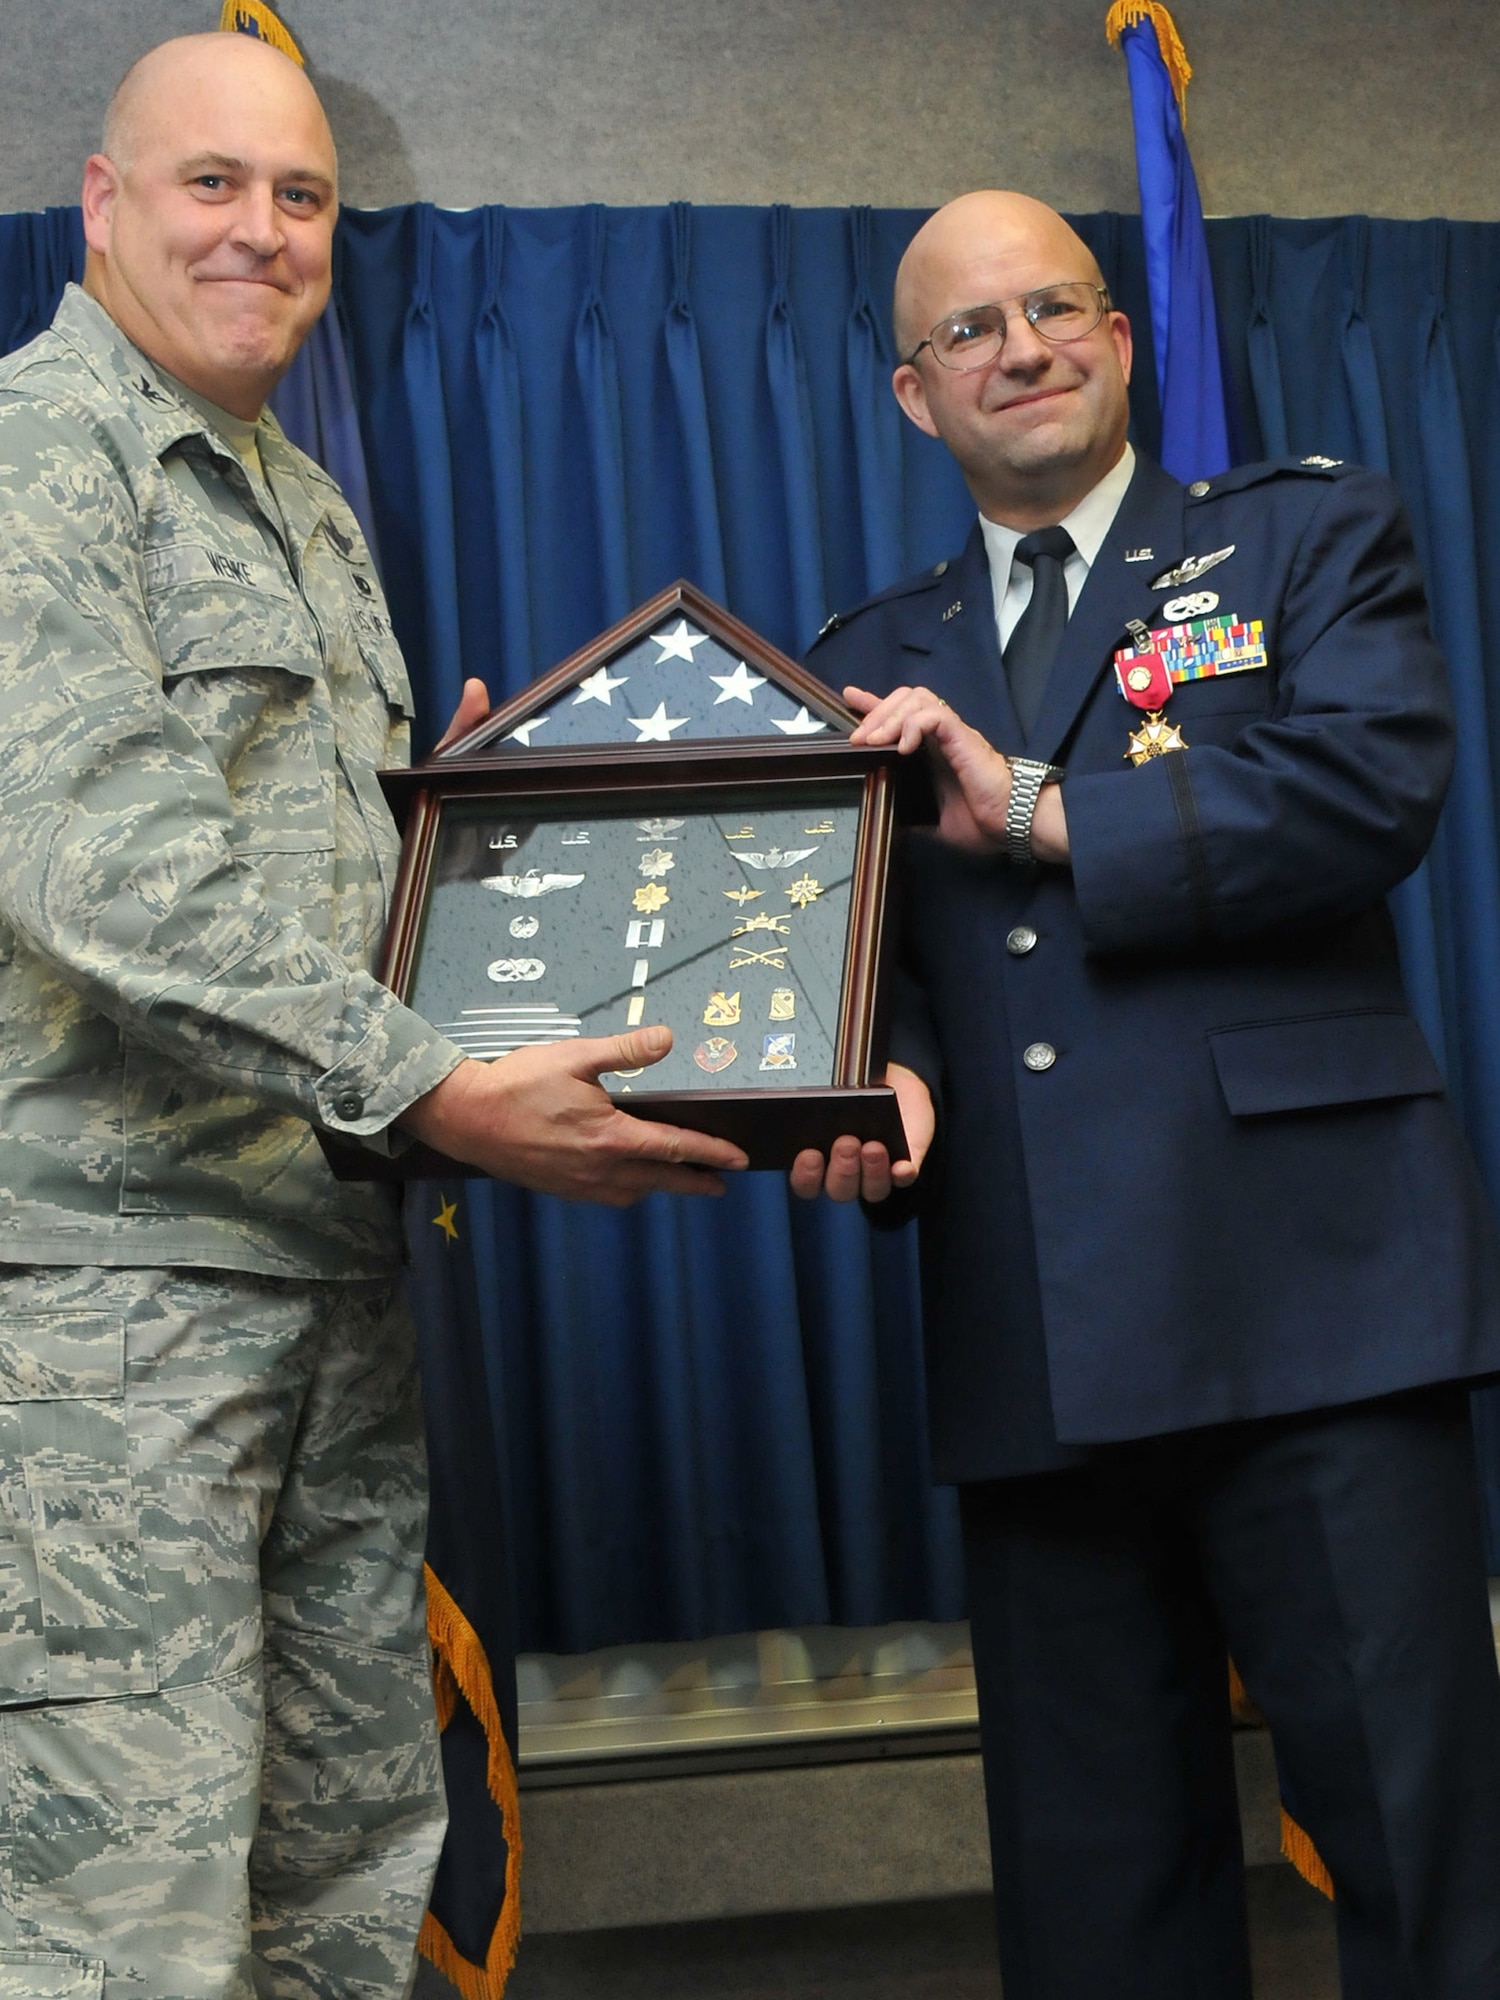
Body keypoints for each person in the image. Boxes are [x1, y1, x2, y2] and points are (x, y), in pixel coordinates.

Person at [0, 32, 744, 1998]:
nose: (263, 231)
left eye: (303, 196)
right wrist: (440, 1080)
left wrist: (475, 859)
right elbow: (108, 870)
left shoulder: (308, 508)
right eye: (212, 186)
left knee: (338, 1886)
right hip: (110, 1327)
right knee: (121, 1921)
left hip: (330, 1285)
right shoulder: (27, 462)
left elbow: (322, 890)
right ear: (101, 204)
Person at [796, 189, 1500, 1999]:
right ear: (910, 393)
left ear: (1119, 338)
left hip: (1313, 1303)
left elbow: (1369, 792)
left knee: (1431, 1869)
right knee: (1099, 1905)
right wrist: (882, 1084)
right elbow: (879, 966)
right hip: (1033, 1318)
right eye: (972, 329)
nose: (1020, 348)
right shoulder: (866, 652)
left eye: (1056, 307)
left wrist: (1036, 808)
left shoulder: (1303, 536)